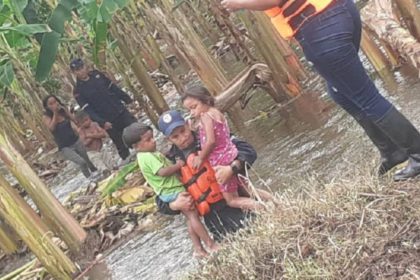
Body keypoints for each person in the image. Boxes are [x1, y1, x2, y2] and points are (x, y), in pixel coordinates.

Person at [221, 0, 420, 181]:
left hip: (319, 26)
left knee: (366, 98)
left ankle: (417, 154)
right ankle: (391, 151)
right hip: (340, 11)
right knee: (340, 92)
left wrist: (238, 4)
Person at [157, 110, 257, 241]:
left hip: (239, 202)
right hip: (215, 221)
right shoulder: (171, 162)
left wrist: (232, 168)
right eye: (175, 137)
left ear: (188, 124)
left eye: (183, 131)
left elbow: (249, 151)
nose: (183, 137)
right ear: (168, 139)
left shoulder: (209, 138)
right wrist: (174, 205)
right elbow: (160, 199)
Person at [122, 123, 219, 257]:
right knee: (193, 216)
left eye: (152, 137)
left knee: (191, 218)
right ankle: (211, 245)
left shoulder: (148, 155)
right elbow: (163, 172)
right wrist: (178, 165)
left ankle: (198, 250)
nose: (153, 141)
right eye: (148, 140)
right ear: (136, 146)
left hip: (170, 191)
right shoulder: (147, 157)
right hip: (172, 191)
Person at [182, 86, 273, 210]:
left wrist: (200, 158)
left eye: (194, 107)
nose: (192, 112)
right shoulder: (216, 112)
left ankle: (264, 208)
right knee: (248, 189)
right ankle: (275, 201)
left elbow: (211, 141)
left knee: (231, 200)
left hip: (221, 161)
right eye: (189, 110)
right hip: (231, 154)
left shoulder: (206, 117)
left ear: (206, 100)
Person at [71, 58, 136, 161]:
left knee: (136, 131)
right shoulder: (78, 90)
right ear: (74, 72)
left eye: (82, 67)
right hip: (108, 120)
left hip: (120, 110)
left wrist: (128, 100)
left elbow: (113, 88)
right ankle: (130, 163)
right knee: (121, 144)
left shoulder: (97, 75)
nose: (81, 71)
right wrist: (102, 122)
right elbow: (89, 110)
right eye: (78, 70)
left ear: (85, 66)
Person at [42, 95, 98, 179]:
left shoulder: (63, 111)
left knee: (87, 160)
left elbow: (75, 121)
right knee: (81, 162)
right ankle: (90, 178)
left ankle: (97, 173)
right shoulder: (46, 117)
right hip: (65, 147)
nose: (54, 104)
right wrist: (55, 113)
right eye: (51, 104)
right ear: (47, 107)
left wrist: (67, 112)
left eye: (55, 101)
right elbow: (52, 128)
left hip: (75, 140)